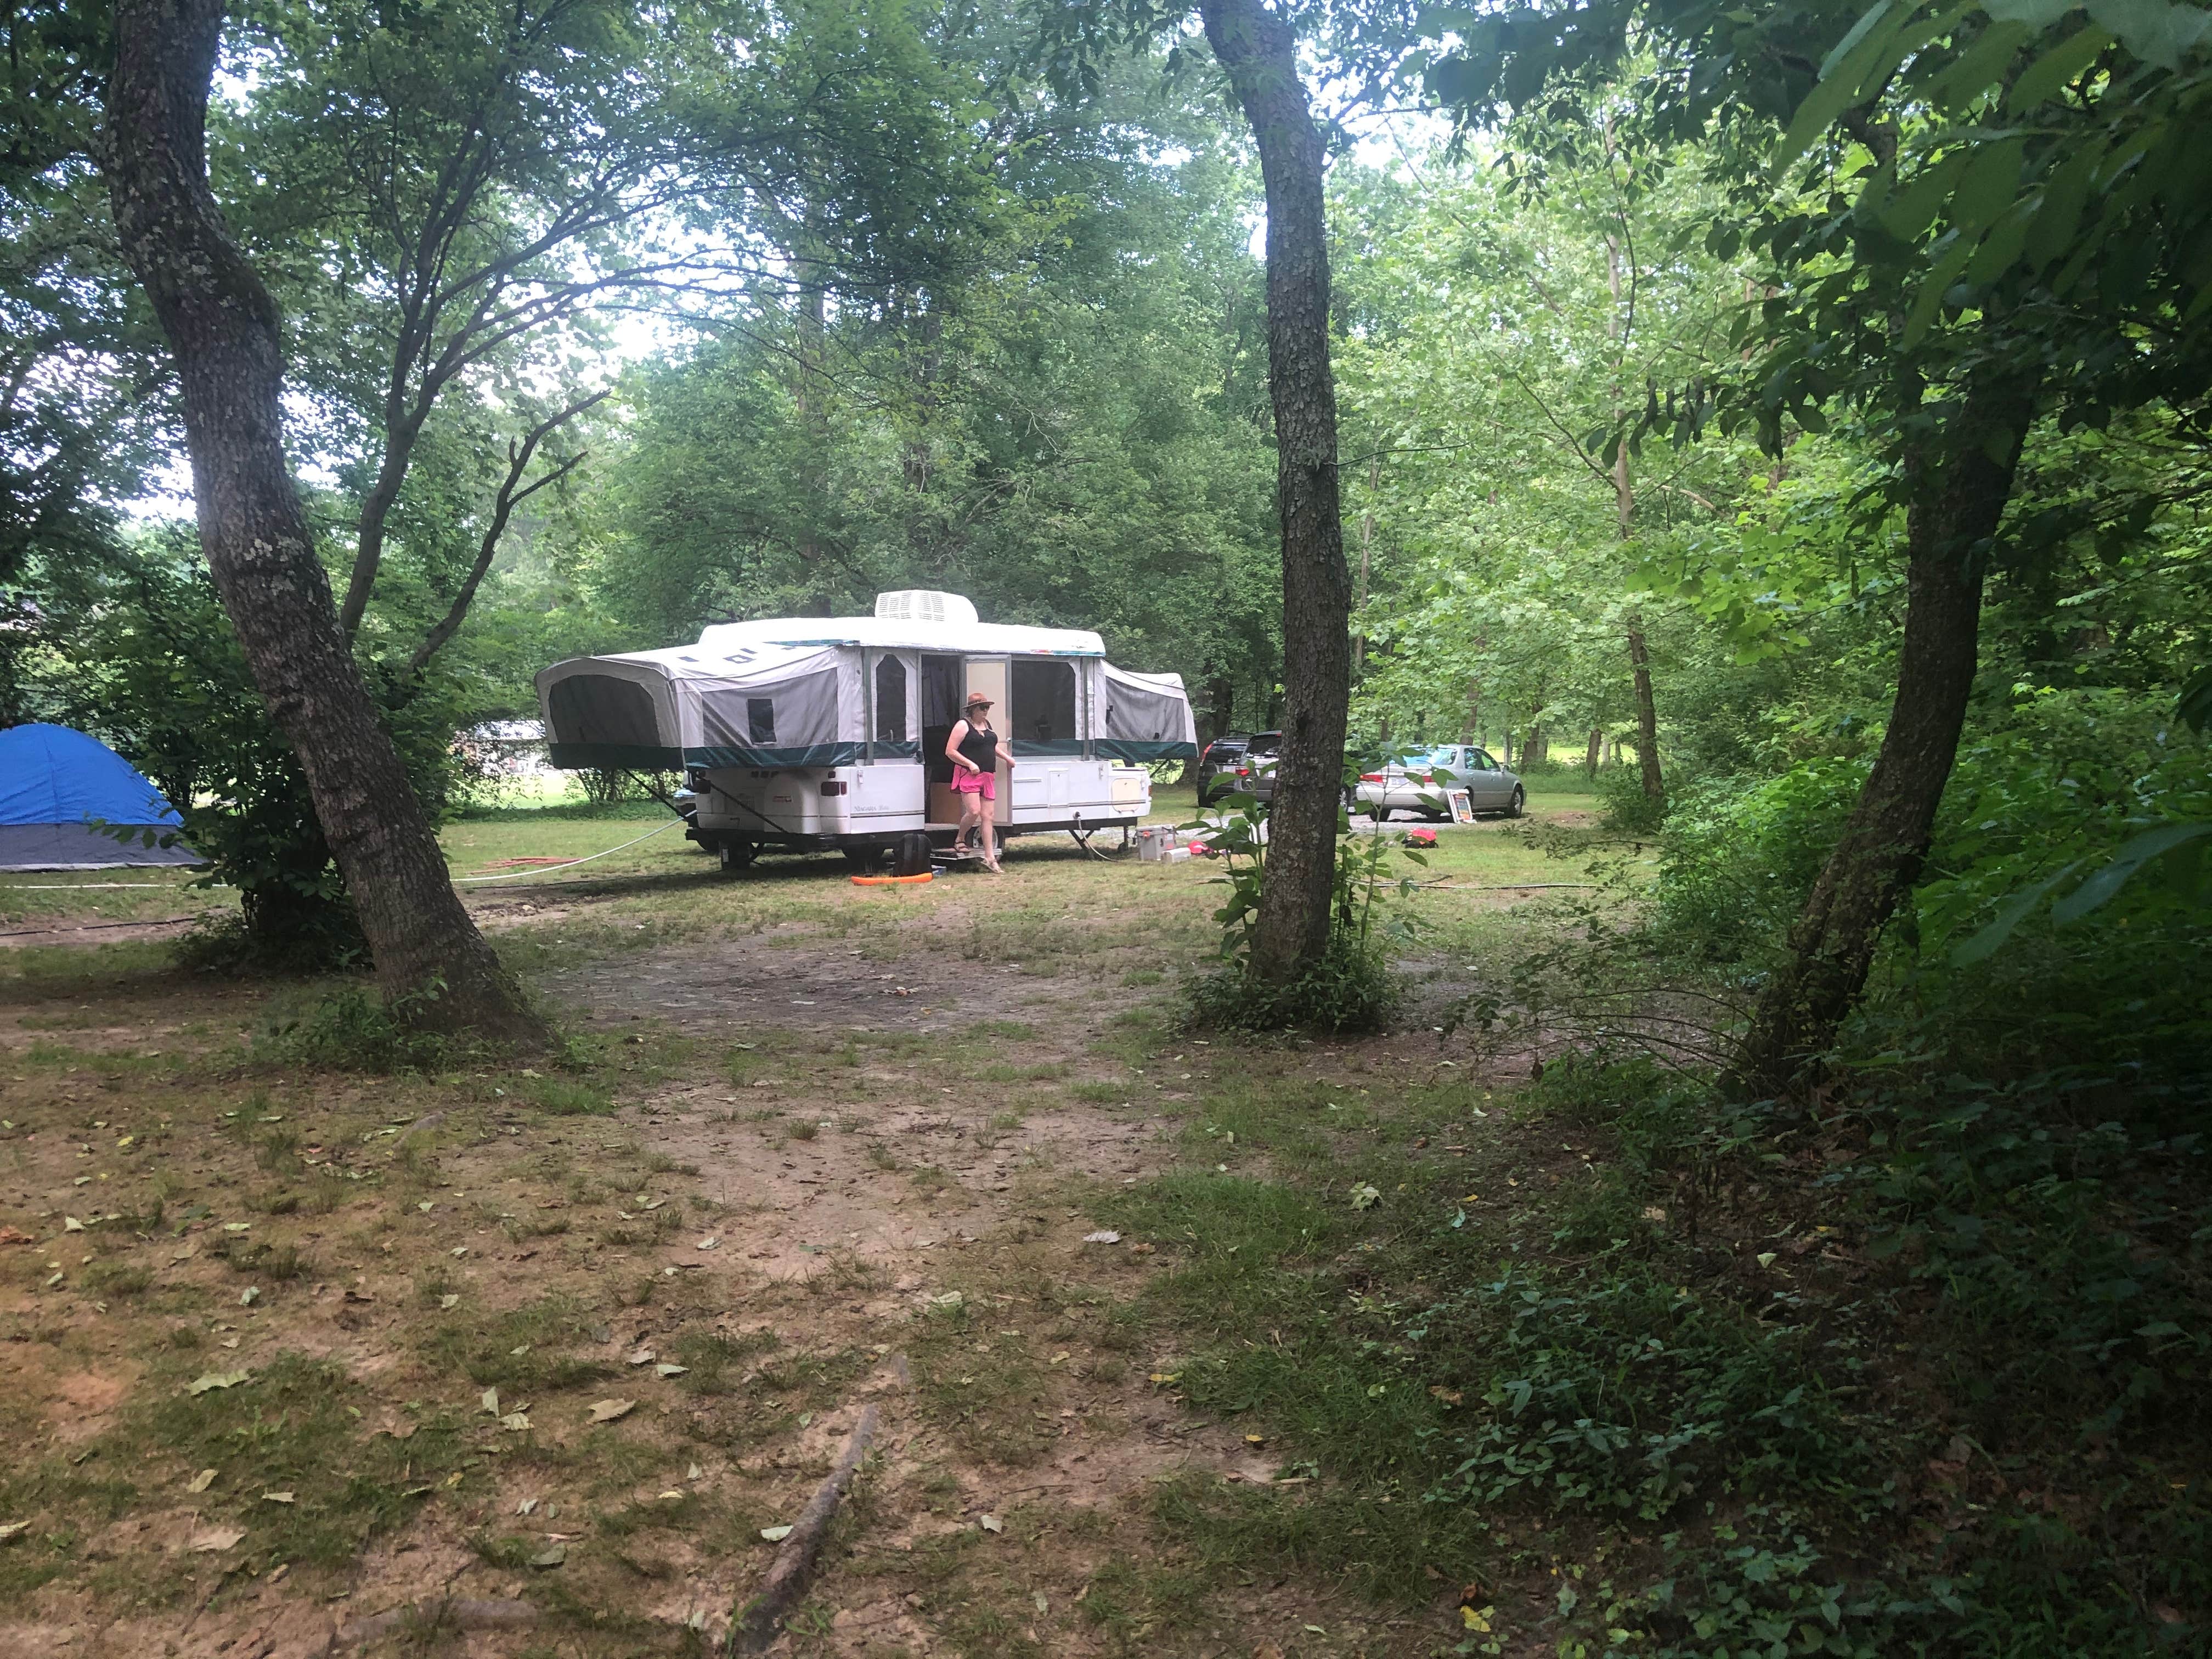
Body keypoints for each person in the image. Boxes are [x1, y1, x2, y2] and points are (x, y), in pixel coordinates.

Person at [946, 690, 1015, 872]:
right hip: (970, 775)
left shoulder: (987, 724)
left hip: (988, 775)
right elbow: (950, 751)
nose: (986, 711)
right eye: (983, 708)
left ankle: (990, 857)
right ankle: (960, 838)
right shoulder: (963, 726)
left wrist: (1007, 758)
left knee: (988, 816)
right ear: (973, 710)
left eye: (987, 708)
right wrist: (970, 764)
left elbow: (991, 746)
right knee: (974, 811)